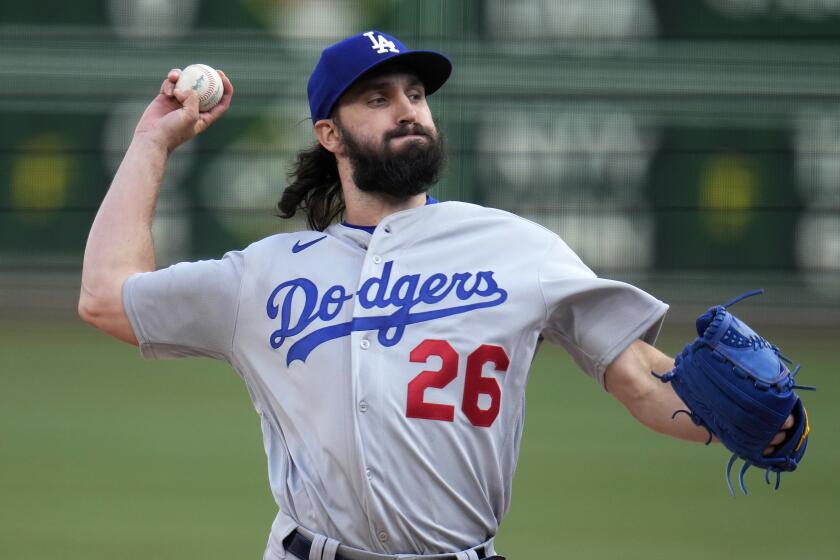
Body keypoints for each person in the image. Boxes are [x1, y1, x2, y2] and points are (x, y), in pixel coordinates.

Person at [79, 31, 793, 560]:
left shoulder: (519, 248)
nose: (408, 110)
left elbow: (638, 374)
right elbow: (107, 297)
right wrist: (151, 143)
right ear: (329, 132)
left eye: (417, 95)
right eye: (378, 97)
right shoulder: (262, 276)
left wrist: (757, 426)